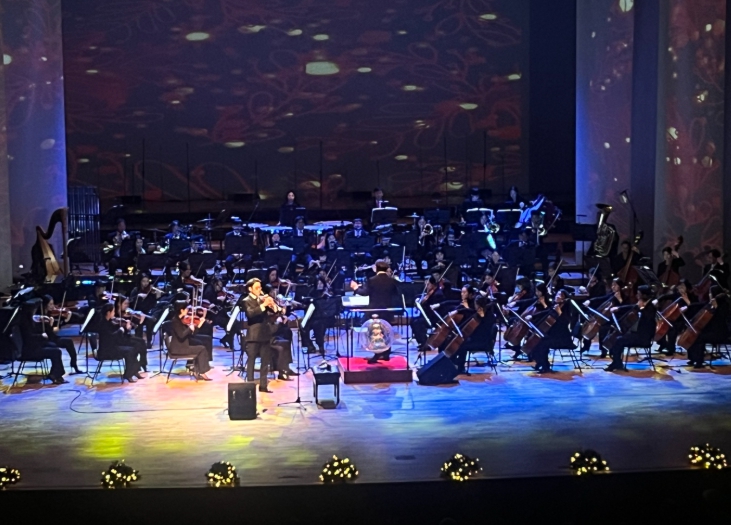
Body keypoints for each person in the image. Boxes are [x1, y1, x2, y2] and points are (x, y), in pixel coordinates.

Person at [350, 260, 399, 362]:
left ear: (376, 268)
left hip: (374, 309)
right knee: (386, 331)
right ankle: (386, 354)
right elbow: (396, 294)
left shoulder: (372, 280)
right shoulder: (392, 280)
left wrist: (355, 288)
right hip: (387, 310)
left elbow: (364, 292)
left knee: (375, 332)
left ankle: (377, 354)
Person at [605, 285, 657, 372]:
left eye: (639, 294)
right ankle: (616, 362)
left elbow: (648, 318)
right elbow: (632, 306)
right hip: (637, 334)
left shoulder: (651, 307)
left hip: (644, 338)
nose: (637, 295)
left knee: (618, 340)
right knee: (617, 337)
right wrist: (618, 308)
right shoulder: (643, 304)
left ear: (644, 295)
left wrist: (641, 309)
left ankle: (617, 363)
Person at [18, 301, 67, 384]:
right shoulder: (24, 323)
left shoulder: (27, 319)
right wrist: (41, 335)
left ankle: (56, 373)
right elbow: (29, 337)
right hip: (29, 351)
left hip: (33, 346)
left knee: (53, 346)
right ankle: (56, 374)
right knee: (56, 352)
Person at [241, 278, 276, 392]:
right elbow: (251, 314)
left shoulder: (262, 299)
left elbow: (274, 312)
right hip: (254, 336)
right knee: (251, 361)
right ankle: (250, 386)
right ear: (250, 289)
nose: (259, 289)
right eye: (256, 288)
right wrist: (263, 305)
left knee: (265, 361)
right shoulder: (246, 300)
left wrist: (272, 304)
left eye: (260, 287)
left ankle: (263, 386)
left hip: (265, 333)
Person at [96, 303, 145, 382]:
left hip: (113, 346)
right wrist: (121, 330)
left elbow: (118, 335)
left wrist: (125, 328)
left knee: (135, 348)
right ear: (108, 313)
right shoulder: (103, 324)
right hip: (107, 351)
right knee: (130, 351)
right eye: (113, 311)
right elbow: (112, 337)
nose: (114, 313)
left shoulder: (110, 321)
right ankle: (128, 374)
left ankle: (134, 371)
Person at [530, 290, 575, 373]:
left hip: (562, 338)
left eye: (561, 296)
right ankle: (541, 363)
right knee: (537, 342)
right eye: (557, 294)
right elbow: (546, 312)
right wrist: (532, 316)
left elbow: (564, 323)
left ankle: (545, 366)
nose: (558, 296)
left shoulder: (566, 309)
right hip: (553, 335)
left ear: (564, 298)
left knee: (542, 344)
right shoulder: (555, 305)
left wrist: (559, 312)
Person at [685, 287, 729, 368]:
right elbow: (700, 305)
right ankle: (693, 359)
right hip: (711, 331)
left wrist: (715, 308)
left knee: (698, 338)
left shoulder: (724, 307)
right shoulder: (711, 304)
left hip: (720, 333)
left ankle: (699, 362)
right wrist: (688, 307)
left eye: (710, 293)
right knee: (694, 335)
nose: (709, 295)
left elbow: (719, 320)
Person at [169, 300, 212, 380]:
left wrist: (198, 325)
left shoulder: (180, 319)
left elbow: (192, 334)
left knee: (201, 345)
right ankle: (202, 372)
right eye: (186, 309)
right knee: (202, 349)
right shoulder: (175, 321)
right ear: (182, 310)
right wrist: (189, 328)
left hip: (183, 345)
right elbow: (181, 336)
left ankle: (198, 370)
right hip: (179, 349)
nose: (188, 311)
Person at [39, 295, 82, 374]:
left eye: (53, 304)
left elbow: (57, 325)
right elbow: (44, 331)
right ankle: (57, 371)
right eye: (50, 304)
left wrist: (66, 320)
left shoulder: (49, 314)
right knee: (58, 348)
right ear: (45, 305)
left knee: (69, 341)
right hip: (47, 340)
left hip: (53, 337)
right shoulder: (41, 317)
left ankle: (74, 364)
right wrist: (51, 327)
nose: (53, 306)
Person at [412, 277, 445, 350]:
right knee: (413, 320)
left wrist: (423, 303)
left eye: (428, 284)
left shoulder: (438, 294)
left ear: (433, 284)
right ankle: (421, 342)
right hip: (427, 316)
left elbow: (431, 308)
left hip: (434, 317)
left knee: (417, 323)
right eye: (425, 284)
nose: (426, 286)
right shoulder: (429, 292)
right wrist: (419, 300)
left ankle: (425, 343)